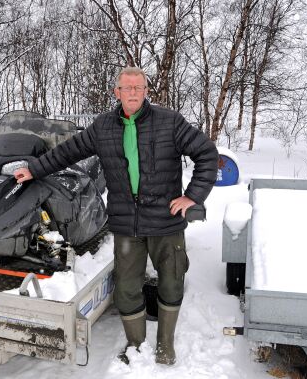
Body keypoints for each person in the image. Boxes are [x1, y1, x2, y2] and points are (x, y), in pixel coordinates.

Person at [14, 67, 218, 365]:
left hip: (165, 221)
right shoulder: (103, 127)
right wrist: (34, 169)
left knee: (172, 281)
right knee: (126, 288)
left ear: (146, 91)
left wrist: (193, 196)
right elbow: (67, 152)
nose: (133, 92)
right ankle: (137, 345)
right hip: (127, 224)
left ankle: (165, 345)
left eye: (139, 87)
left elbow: (206, 154)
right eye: (127, 87)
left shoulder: (169, 122)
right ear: (117, 92)